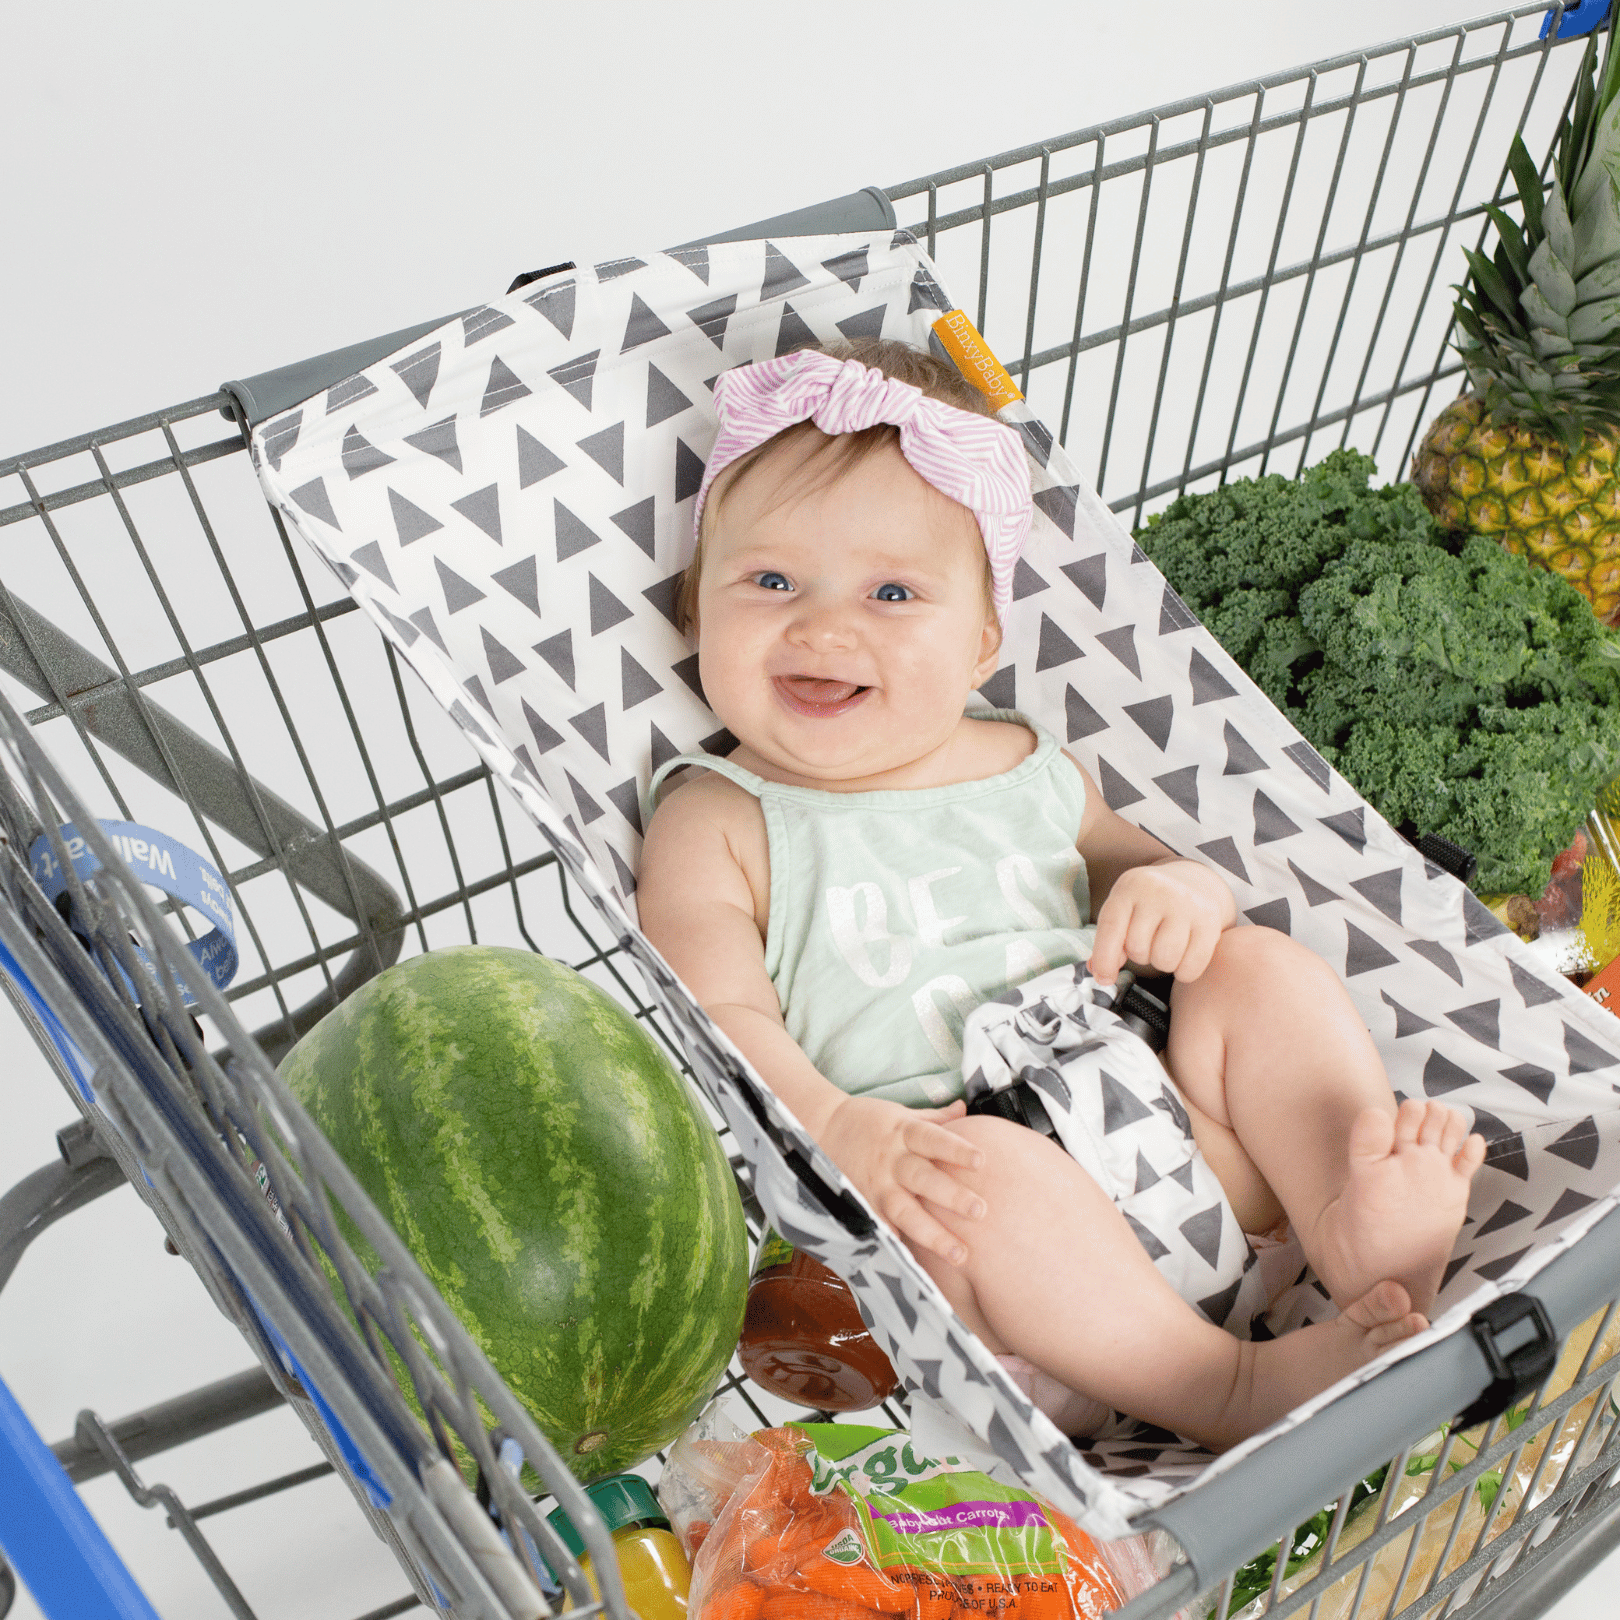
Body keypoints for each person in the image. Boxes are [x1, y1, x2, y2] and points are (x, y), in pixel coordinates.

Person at [637, 339, 1486, 1451]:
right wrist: (844, 1127)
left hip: (1191, 1149)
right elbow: (722, 1014)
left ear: (982, 641)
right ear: (699, 610)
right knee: (981, 1182)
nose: (825, 626)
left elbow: (1138, 866)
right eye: (771, 582)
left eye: (893, 591)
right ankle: (1224, 1388)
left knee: (1252, 968)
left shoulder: (1028, 761)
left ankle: (1352, 1229)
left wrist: (1179, 890)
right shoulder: (720, 815)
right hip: (1010, 1248)